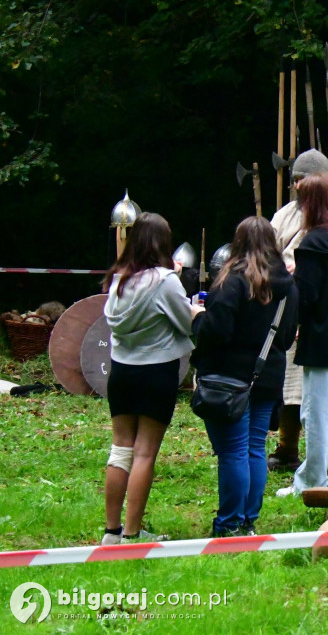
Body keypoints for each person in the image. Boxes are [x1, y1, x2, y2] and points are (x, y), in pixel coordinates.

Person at [191, 217, 299, 536]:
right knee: (253, 449)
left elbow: (216, 331)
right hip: (265, 377)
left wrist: (198, 319)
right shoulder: (288, 287)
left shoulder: (233, 281)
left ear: (237, 244)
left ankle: (228, 524)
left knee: (234, 452)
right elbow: (288, 334)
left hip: (229, 379)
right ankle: (248, 521)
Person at [100, 212, 200, 544]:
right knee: (144, 453)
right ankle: (131, 534)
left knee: (120, 450)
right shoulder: (165, 280)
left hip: (121, 373)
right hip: (156, 373)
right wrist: (192, 305)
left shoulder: (119, 280)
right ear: (162, 243)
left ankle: (111, 531)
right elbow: (184, 322)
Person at [268, 149, 328, 472]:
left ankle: (314, 477)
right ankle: (296, 451)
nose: (298, 187)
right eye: (295, 180)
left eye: (304, 182)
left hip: (319, 326)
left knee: (320, 409)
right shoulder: (284, 217)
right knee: (298, 392)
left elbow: (315, 289)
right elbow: (269, 259)